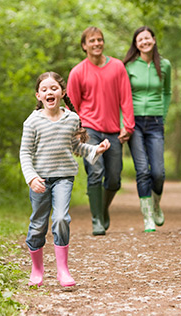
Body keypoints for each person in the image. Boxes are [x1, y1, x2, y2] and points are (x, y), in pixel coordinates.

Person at [20, 72, 111, 287]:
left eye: (53, 88)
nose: (49, 92)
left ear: (61, 92)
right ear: (38, 95)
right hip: (40, 180)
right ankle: (37, 269)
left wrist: (95, 149)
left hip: (64, 178)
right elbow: (25, 153)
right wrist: (31, 178)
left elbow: (75, 147)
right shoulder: (32, 122)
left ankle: (62, 270)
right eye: (44, 89)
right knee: (38, 225)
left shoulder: (71, 118)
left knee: (61, 219)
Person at [67, 26, 135, 236]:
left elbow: (126, 97)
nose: (97, 43)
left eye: (100, 40)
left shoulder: (117, 67)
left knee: (114, 178)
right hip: (89, 130)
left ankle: (102, 209)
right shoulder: (78, 72)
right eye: (92, 40)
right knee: (96, 172)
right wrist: (77, 133)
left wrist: (128, 126)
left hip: (113, 130)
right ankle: (96, 219)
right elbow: (72, 106)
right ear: (84, 46)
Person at [123, 26, 172, 233]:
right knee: (142, 170)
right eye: (140, 39)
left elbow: (167, 92)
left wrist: (163, 113)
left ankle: (156, 204)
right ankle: (148, 217)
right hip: (134, 123)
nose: (144, 42)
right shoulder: (129, 66)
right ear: (136, 44)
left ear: (153, 40)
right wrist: (123, 123)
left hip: (155, 122)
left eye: (147, 38)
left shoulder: (165, 65)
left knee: (158, 172)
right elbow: (122, 96)